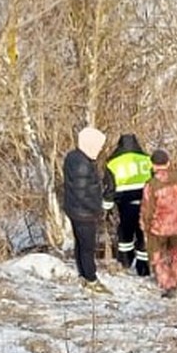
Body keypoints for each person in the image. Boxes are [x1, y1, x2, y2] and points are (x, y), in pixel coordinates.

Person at [61, 126, 116, 294]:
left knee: (80, 245)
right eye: (98, 146)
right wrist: (98, 209)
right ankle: (91, 280)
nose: (100, 149)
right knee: (87, 247)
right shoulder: (83, 166)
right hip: (84, 213)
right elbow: (83, 194)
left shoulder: (74, 157)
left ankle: (83, 275)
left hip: (75, 210)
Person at [140, 148, 177, 297]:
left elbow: (147, 209)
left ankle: (168, 285)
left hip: (159, 226)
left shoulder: (152, 184)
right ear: (168, 162)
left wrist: (146, 226)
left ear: (153, 165)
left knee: (157, 255)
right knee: (176, 252)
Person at [105, 133, 153, 276]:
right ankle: (143, 268)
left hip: (125, 205)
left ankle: (125, 263)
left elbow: (110, 189)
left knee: (125, 235)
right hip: (146, 203)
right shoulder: (146, 159)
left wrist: (106, 209)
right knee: (142, 235)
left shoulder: (112, 163)